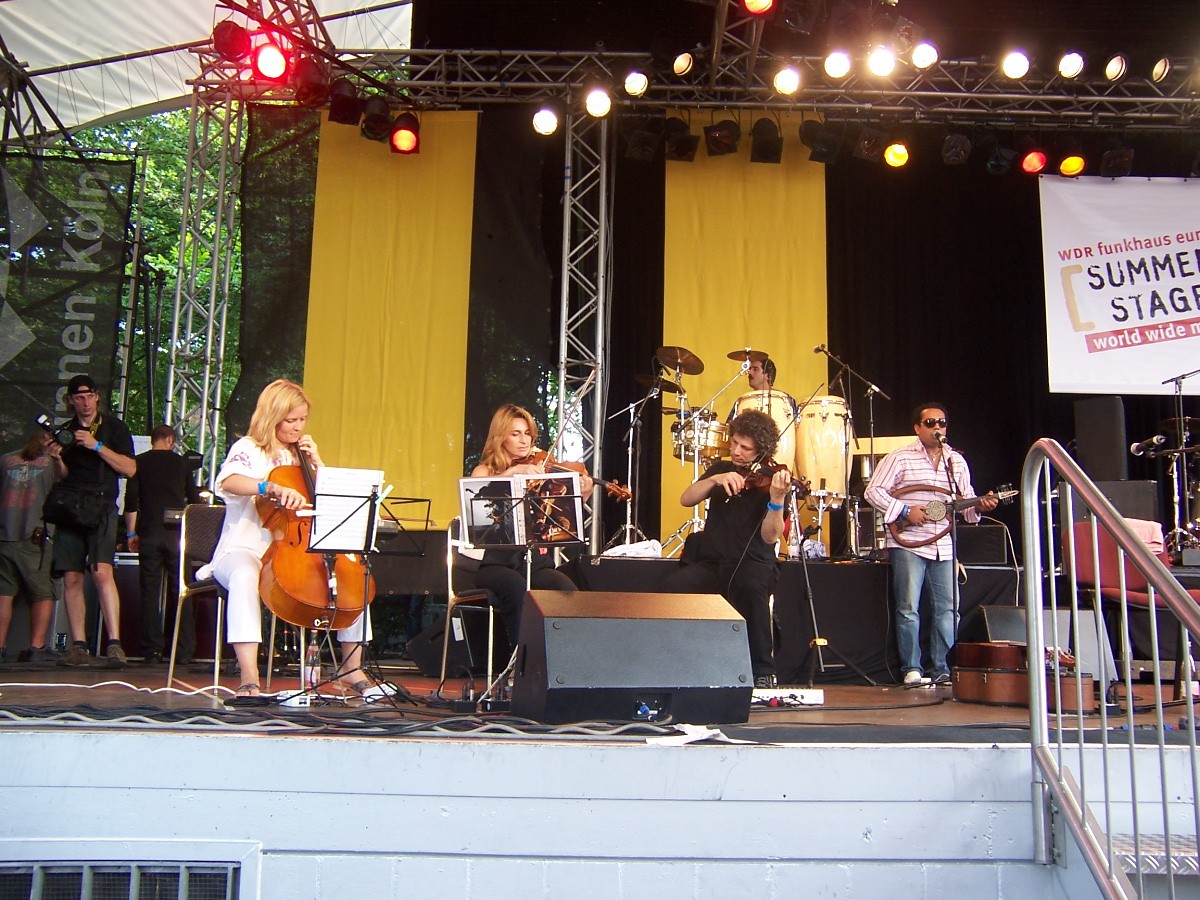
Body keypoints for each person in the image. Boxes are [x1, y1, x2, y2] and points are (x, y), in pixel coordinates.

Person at [207, 379, 380, 699]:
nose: (298, 427)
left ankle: (353, 669)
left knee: (352, 573)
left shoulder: (301, 455)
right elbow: (228, 481)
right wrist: (267, 487)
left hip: (293, 548)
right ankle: (248, 676)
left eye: (302, 420)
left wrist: (317, 464)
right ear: (272, 416)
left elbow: (328, 502)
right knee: (246, 575)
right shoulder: (248, 448)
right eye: (291, 420)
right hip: (245, 547)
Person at [864, 402, 998, 687]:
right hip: (909, 542)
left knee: (949, 609)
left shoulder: (956, 462)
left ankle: (942, 669)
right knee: (908, 607)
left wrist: (981, 506)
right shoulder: (900, 457)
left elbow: (966, 505)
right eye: (930, 423)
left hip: (944, 544)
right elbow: (872, 491)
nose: (937, 427)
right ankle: (911, 668)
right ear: (917, 428)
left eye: (942, 422)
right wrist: (903, 510)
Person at [661, 410, 792, 688]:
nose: (736, 451)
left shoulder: (773, 481)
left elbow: (770, 537)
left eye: (745, 448)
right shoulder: (721, 469)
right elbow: (686, 499)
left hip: (754, 563)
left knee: (752, 588)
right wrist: (713, 480)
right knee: (672, 587)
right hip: (712, 563)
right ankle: (674, 663)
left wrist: (777, 500)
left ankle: (763, 671)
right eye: (734, 443)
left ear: (762, 449)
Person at [469, 404, 593, 652]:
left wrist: (584, 496)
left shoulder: (541, 472)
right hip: (496, 564)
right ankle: (521, 665)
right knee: (516, 590)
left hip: (534, 563)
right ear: (500, 437)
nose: (524, 441)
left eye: (527, 433)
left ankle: (567, 660)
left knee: (568, 592)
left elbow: (560, 521)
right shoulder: (485, 471)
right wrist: (514, 472)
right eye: (515, 434)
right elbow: (478, 512)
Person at [53, 374, 137, 667]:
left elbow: (130, 469)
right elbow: (61, 476)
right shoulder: (65, 432)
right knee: (72, 576)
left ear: (97, 397)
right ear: (71, 401)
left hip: (101, 508)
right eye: (79, 397)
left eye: (89, 396)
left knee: (102, 573)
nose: (85, 402)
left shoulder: (114, 427)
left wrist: (96, 445)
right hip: (70, 509)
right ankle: (78, 646)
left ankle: (114, 643)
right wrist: (57, 458)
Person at [123, 424, 204, 664]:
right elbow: (194, 500)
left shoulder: (140, 462)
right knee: (181, 589)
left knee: (149, 590)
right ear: (169, 439)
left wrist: (130, 534)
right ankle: (183, 651)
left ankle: (152, 650)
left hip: (149, 531)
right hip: (177, 533)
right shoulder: (182, 464)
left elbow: (131, 500)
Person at [0, 432, 67, 663]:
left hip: (5, 533)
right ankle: (36, 647)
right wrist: (58, 458)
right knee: (43, 593)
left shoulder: (6, 459)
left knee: (4, 594)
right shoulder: (50, 462)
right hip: (35, 535)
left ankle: (0, 647)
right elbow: (65, 479)